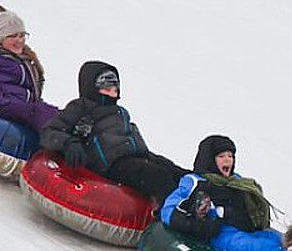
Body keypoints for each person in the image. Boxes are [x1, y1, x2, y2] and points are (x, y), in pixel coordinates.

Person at [39, 60, 187, 202]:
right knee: (158, 176)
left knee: (177, 173)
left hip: (136, 156)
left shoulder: (120, 111)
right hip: (112, 164)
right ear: (92, 88)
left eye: (114, 87)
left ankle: (200, 203)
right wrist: (69, 143)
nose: (112, 92)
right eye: (106, 87)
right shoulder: (81, 107)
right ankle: (169, 218)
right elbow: (50, 131)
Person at [160, 135, 285, 251]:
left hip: (246, 229)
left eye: (230, 156)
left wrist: (233, 213)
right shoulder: (195, 182)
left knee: (282, 241)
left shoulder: (238, 182)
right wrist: (199, 226)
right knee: (264, 248)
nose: (227, 160)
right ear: (209, 160)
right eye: (221, 156)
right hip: (223, 235)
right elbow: (168, 211)